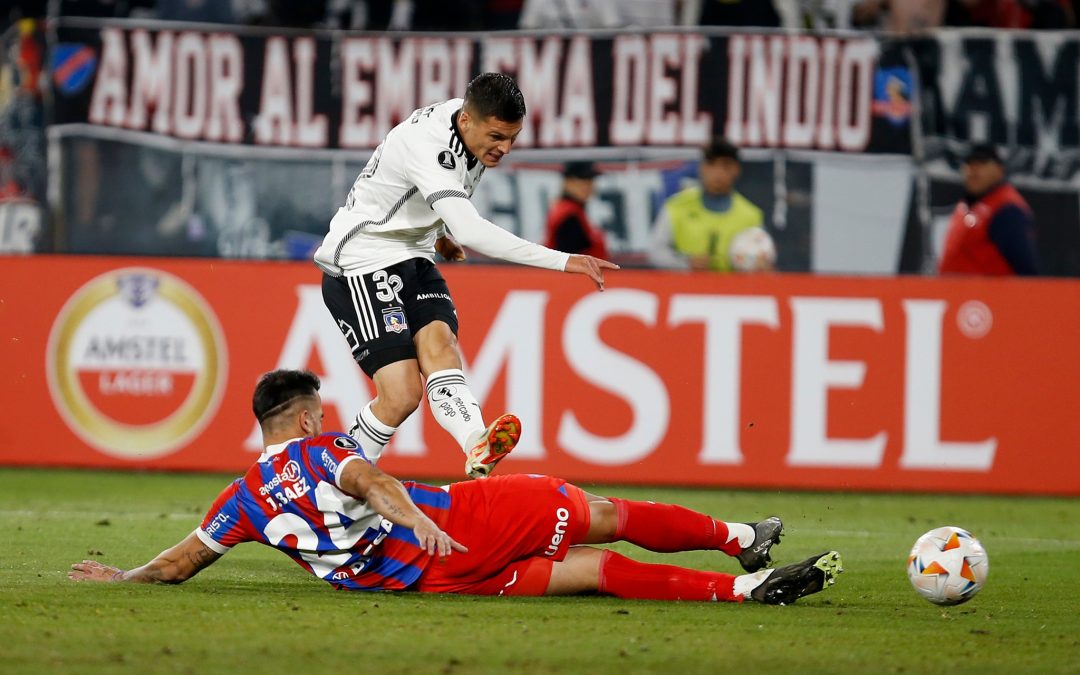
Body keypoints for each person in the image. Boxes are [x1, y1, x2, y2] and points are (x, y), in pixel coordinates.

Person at [69, 369, 844, 605]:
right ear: (304, 419)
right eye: (322, 413)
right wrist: (417, 514)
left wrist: (126, 576)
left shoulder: (239, 499)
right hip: (457, 521)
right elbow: (370, 479)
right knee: (603, 514)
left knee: (592, 573)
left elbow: (181, 561)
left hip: (431, 581)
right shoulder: (322, 450)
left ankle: (743, 590)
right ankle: (739, 540)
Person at [313, 73, 618, 478]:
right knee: (402, 395)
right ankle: (333, 481)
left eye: (512, 138)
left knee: (441, 346)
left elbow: (414, 190)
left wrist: (439, 234)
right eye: (497, 137)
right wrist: (564, 260)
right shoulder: (429, 145)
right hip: (362, 260)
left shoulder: (471, 127)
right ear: (467, 120)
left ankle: (477, 443)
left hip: (414, 252)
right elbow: (473, 231)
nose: (504, 148)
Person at [648, 137, 770, 272]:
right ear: (702, 168)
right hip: (686, 284)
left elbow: (763, 257)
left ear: (736, 170)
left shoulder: (751, 216)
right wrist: (685, 263)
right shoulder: (676, 207)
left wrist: (760, 266)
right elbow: (656, 252)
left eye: (725, 166)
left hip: (732, 285)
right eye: (712, 164)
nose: (718, 173)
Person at [938, 143, 1039, 276]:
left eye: (981, 163)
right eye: (969, 163)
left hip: (986, 289)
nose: (973, 169)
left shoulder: (1006, 209)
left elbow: (1026, 269)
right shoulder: (967, 203)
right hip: (954, 288)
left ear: (999, 169)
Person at [544, 161, 608, 258]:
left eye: (590, 181)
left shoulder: (570, 210)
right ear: (567, 183)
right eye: (580, 181)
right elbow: (567, 258)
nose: (587, 186)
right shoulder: (569, 216)